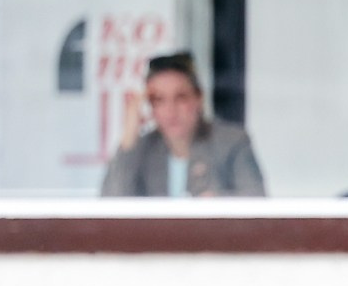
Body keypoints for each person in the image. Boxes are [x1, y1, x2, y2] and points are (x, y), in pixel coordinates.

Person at [99, 53, 266, 197]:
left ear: (198, 98)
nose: (171, 110)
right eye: (159, 100)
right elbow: (110, 205)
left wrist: (218, 205)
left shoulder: (231, 142)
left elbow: (257, 203)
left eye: (180, 98)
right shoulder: (142, 149)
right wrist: (129, 136)